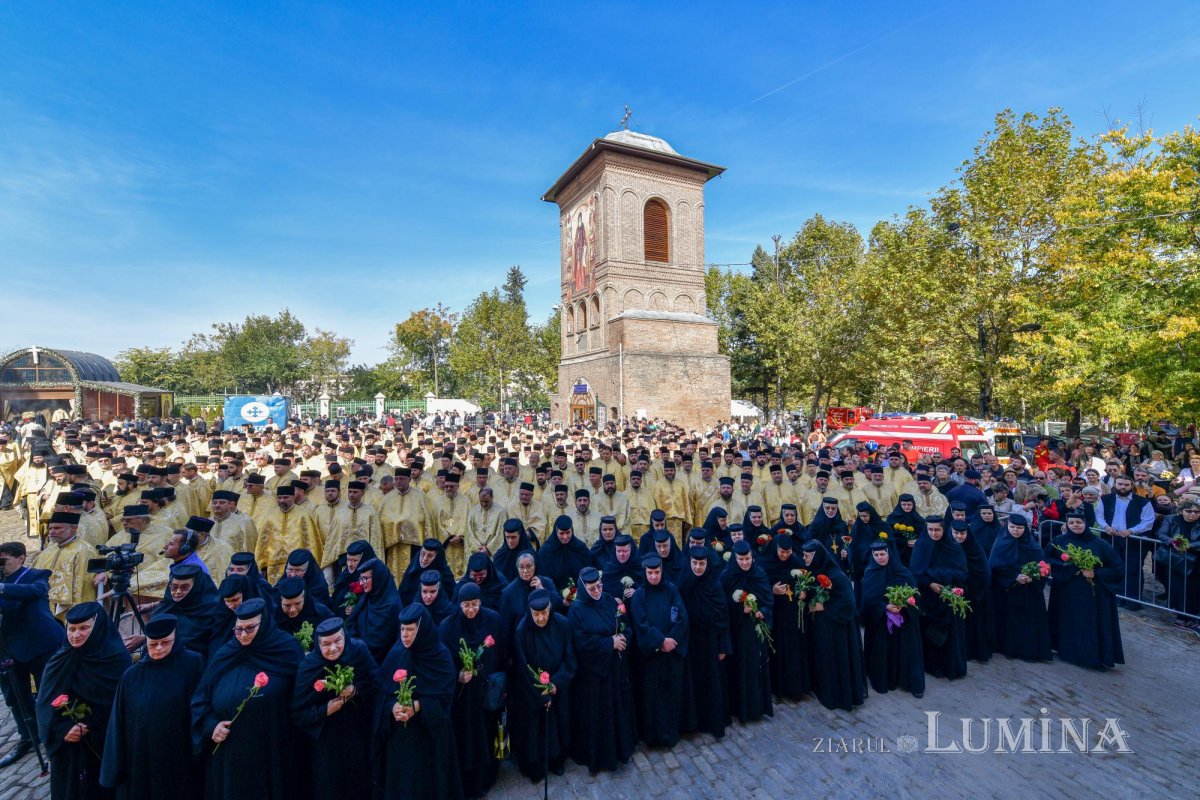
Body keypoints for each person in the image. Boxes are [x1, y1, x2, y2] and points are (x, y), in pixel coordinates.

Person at [191, 597, 304, 800]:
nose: (243, 635)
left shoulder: (285, 650)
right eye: (238, 629)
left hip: (272, 749)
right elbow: (201, 699)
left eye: (250, 629)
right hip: (231, 753)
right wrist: (211, 726)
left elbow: (302, 697)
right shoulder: (226, 653)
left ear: (265, 624)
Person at [100, 615, 205, 800]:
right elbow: (119, 722)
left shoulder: (193, 664)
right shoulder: (132, 675)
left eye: (165, 643)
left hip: (180, 754)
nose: (159, 648)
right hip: (142, 755)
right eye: (153, 644)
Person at [36, 601, 132, 800]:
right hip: (72, 749)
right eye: (71, 629)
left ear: (97, 628)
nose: (76, 635)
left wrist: (90, 724)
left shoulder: (115, 658)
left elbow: (121, 704)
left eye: (84, 628)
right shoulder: (60, 660)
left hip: (106, 741)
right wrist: (64, 729)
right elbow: (45, 704)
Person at [373, 604, 463, 800]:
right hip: (402, 738)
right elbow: (381, 692)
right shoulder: (397, 652)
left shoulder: (440, 656)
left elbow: (445, 697)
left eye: (410, 629)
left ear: (421, 629)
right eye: (402, 629)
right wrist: (392, 707)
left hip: (430, 737)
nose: (404, 635)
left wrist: (418, 706)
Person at [291, 618, 379, 798]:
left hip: (358, 734)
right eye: (326, 644)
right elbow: (298, 713)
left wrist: (355, 690)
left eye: (338, 641)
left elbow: (377, 686)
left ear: (345, 637)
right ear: (318, 643)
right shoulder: (308, 666)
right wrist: (324, 710)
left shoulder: (358, 651)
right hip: (326, 743)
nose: (333, 648)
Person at [0, 540, 65, 768]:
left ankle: (57, 733)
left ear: (20, 558)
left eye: (3, 561)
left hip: (39, 645)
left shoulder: (37, 575)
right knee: (14, 697)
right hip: (6, 651)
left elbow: (36, 591)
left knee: (49, 692)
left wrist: (2, 588)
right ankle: (28, 736)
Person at [566, 566, 634, 774]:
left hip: (614, 669)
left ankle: (620, 749)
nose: (596, 591)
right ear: (583, 588)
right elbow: (581, 642)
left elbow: (623, 624)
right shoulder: (576, 610)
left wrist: (623, 638)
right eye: (591, 588)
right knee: (597, 715)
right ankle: (599, 756)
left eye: (598, 587)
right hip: (593, 675)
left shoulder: (609, 601)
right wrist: (609, 644)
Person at [439, 582, 505, 797]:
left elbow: (504, 653)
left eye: (475, 605)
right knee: (466, 738)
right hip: (463, 698)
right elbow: (443, 664)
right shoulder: (448, 627)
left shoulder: (493, 620)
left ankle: (488, 776)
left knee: (486, 734)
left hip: (486, 694)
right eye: (466, 605)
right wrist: (458, 675)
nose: (471, 610)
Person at [511, 589, 576, 783]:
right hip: (533, 692)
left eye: (544, 613)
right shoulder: (522, 631)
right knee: (535, 731)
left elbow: (570, 658)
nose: (540, 618)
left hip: (557, 687)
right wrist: (541, 694)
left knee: (559, 725)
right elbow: (522, 668)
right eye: (536, 614)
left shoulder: (562, 625)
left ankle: (557, 760)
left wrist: (556, 684)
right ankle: (536, 767)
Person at [1047, 510, 1125, 670]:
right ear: (1067, 525)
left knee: (1088, 625)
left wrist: (1095, 573)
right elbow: (1047, 559)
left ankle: (1090, 656)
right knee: (1068, 621)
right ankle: (1066, 651)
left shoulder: (1099, 544)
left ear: (1086, 524)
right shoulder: (1059, 541)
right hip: (1066, 592)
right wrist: (1069, 568)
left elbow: (1117, 567)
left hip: (1092, 594)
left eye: (1079, 522)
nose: (1076, 525)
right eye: (1072, 523)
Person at [799, 540, 866, 711]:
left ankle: (838, 696)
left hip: (837, 631)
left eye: (807, 556)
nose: (804, 559)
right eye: (804, 555)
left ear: (817, 557)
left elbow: (848, 604)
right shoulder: (812, 573)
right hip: (821, 630)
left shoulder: (836, 576)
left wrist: (824, 607)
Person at [630, 555, 689, 747]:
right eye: (650, 573)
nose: (654, 576)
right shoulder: (639, 595)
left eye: (657, 572)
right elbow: (641, 624)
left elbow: (682, 617)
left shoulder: (671, 589)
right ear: (645, 573)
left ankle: (671, 735)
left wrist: (671, 640)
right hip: (652, 656)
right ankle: (653, 737)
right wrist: (661, 641)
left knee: (671, 696)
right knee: (652, 698)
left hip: (671, 654)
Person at [676, 546, 730, 739]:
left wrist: (723, 646)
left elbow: (723, 619)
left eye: (702, 563)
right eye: (695, 563)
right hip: (690, 643)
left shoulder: (714, 586)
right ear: (689, 563)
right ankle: (693, 723)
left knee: (711, 682)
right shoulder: (683, 584)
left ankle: (712, 721)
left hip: (710, 643)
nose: (698, 567)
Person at [859, 541, 924, 697]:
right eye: (876, 555)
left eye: (883, 554)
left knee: (907, 650)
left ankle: (911, 682)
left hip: (904, 620)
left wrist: (904, 603)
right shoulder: (870, 573)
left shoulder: (903, 571)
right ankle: (885, 680)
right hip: (881, 623)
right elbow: (867, 601)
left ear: (889, 553)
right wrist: (885, 607)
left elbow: (914, 593)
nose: (880, 558)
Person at [719, 540, 773, 723]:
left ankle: (756, 708)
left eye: (748, 559)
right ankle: (738, 708)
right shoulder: (727, 577)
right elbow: (722, 606)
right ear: (735, 558)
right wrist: (739, 611)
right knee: (737, 669)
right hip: (736, 632)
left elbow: (768, 600)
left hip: (754, 631)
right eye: (741, 559)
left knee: (755, 668)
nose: (745, 563)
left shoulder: (759, 574)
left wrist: (762, 611)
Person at [910, 517, 969, 680]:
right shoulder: (921, 546)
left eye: (937, 530)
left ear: (944, 530)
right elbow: (915, 573)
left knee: (950, 634)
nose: (933, 533)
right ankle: (932, 666)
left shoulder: (954, 548)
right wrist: (930, 584)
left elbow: (963, 572)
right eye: (930, 530)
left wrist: (946, 581)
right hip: (930, 599)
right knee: (931, 633)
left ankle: (950, 666)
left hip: (950, 598)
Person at [988, 516, 1051, 662]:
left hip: (1030, 591)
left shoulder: (1032, 545)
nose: (1016, 530)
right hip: (1008, 591)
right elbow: (995, 567)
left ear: (1025, 529)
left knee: (1029, 620)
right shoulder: (1001, 543)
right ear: (1007, 526)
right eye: (1013, 527)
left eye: (1020, 528)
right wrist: (1014, 576)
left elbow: (1043, 565)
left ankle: (1030, 650)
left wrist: (1033, 576)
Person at [758, 533, 810, 702]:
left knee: (794, 650)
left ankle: (795, 688)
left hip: (793, 615)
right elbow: (760, 587)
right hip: (776, 615)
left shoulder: (796, 562)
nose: (785, 555)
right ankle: (778, 689)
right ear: (776, 548)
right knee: (777, 650)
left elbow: (805, 581)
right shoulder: (766, 563)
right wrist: (772, 590)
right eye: (782, 551)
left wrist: (804, 592)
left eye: (788, 552)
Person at [148, 563, 222, 659]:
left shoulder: (212, 610)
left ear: (196, 588)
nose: (178, 592)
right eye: (174, 587)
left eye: (184, 587)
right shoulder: (165, 607)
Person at [951, 519, 995, 663]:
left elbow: (982, 571)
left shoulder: (975, 548)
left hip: (975, 594)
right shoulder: (948, 547)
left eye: (962, 533)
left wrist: (975, 589)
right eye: (956, 533)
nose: (959, 536)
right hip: (955, 593)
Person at [345, 558, 402, 664]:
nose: (361, 583)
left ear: (377, 578)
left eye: (365, 578)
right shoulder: (368, 597)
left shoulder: (392, 606)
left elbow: (380, 642)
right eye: (360, 579)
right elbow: (352, 623)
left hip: (380, 662)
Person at [1153, 499, 1200, 626]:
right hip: (1175, 558)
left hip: (1196, 559)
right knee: (1177, 587)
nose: (1193, 514)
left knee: (1194, 589)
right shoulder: (1171, 519)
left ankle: (1194, 616)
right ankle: (1181, 615)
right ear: (1181, 511)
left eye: (1196, 512)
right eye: (1189, 511)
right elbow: (1161, 534)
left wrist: (1190, 545)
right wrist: (1172, 542)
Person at [535, 515, 591, 595]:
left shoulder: (580, 548)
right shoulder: (546, 551)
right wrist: (560, 600)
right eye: (561, 533)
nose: (565, 537)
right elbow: (544, 580)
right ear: (556, 532)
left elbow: (589, 572)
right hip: (555, 598)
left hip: (581, 597)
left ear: (572, 531)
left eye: (568, 532)